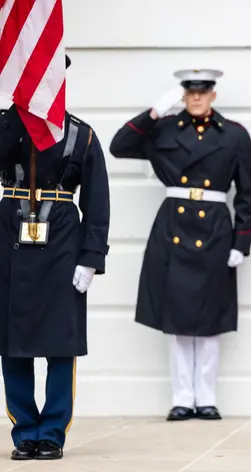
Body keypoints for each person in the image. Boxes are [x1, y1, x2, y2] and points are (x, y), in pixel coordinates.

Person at [109, 68, 251, 422]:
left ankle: (206, 397)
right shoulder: (163, 129)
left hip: (215, 229)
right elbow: (118, 146)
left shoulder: (234, 135)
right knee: (177, 320)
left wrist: (242, 241)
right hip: (173, 225)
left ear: (213, 95)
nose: (196, 98)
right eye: (189, 92)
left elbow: (247, 195)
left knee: (209, 320)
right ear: (182, 95)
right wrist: (155, 111)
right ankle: (181, 398)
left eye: (202, 92)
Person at [0, 55, 110, 460]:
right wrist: (17, 118)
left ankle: (52, 432)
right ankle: (24, 430)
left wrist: (90, 257)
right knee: (12, 344)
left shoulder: (81, 135)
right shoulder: (5, 124)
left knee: (60, 344)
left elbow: (98, 202)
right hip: (10, 239)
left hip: (62, 244)